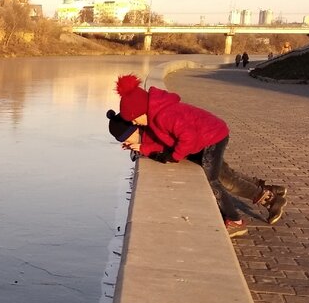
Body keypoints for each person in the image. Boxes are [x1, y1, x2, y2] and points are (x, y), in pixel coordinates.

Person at [107, 74, 287, 238]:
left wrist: (174, 156)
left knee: (213, 180)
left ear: (141, 111)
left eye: (134, 119)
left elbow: (188, 137)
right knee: (226, 176)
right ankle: (271, 199)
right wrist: (144, 148)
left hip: (211, 138)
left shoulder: (163, 116)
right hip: (210, 137)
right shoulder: (156, 116)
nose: (135, 123)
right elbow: (165, 142)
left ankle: (235, 221)